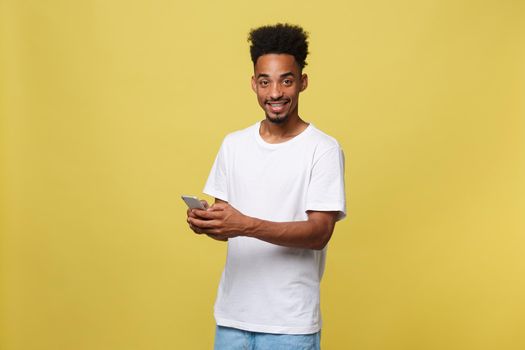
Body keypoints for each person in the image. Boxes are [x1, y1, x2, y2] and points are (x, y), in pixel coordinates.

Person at [186, 23, 346, 350]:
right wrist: (207, 223)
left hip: (290, 323)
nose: (275, 92)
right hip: (232, 317)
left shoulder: (323, 149)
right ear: (254, 84)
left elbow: (319, 233)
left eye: (286, 80)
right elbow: (227, 224)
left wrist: (244, 224)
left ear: (302, 82)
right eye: (265, 81)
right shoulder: (233, 145)